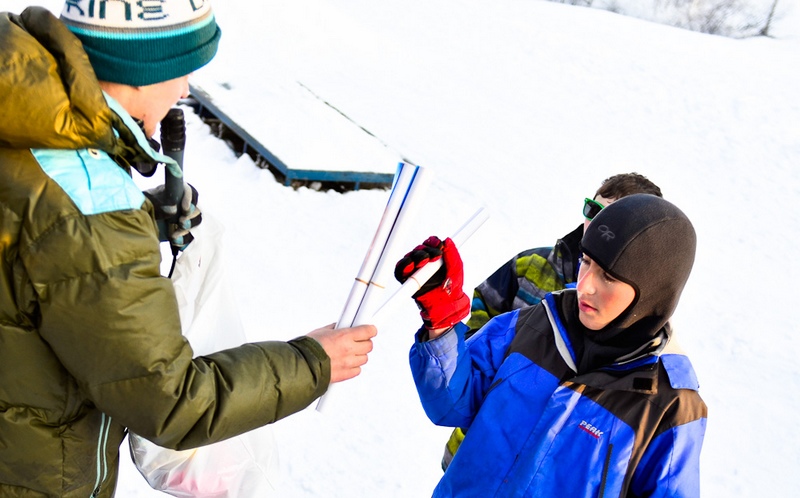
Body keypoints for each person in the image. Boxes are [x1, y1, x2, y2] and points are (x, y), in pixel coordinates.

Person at [0, 2, 376, 496]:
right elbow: (170, 400)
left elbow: (37, 237)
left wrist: (137, 221)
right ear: (137, 69)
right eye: (180, 73)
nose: (184, 90)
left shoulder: (22, 113)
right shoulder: (91, 205)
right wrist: (310, 363)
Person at [398, 194, 707, 497]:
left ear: (651, 294)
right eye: (586, 261)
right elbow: (452, 402)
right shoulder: (533, 325)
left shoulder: (669, 406)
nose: (585, 284)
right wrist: (441, 321)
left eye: (608, 277)